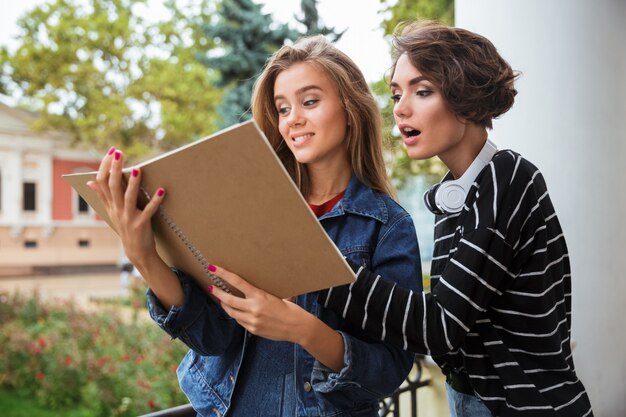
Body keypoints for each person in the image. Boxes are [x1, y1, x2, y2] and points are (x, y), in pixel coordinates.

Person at [209, 21, 593, 417]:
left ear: (468, 96)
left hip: (530, 405)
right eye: (396, 95)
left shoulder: (507, 177)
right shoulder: (454, 198)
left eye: (422, 91)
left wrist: (313, 268)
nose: (401, 109)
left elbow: (440, 329)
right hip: (475, 401)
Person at [87, 35, 422, 417]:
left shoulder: (388, 227)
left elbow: (389, 370)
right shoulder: (245, 204)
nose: (293, 119)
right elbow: (212, 337)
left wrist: (304, 330)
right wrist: (145, 257)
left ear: (350, 108)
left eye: (309, 101)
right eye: (282, 108)